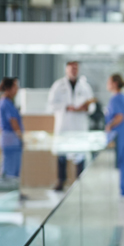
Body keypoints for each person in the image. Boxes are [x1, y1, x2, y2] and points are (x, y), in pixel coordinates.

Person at [47, 61, 95, 191]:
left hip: (79, 126)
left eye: (76, 68)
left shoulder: (85, 86)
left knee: (80, 155)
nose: (74, 71)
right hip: (64, 125)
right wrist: (66, 107)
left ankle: (80, 182)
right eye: (71, 69)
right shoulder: (58, 85)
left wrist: (85, 108)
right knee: (62, 155)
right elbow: (51, 105)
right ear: (66, 70)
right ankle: (61, 181)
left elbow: (92, 106)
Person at [105, 73, 124, 196]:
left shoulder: (115, 99)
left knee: (121, 164)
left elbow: (120, 116)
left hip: (120, 135)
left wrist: (109, 125)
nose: (107, 85)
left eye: (109, 82)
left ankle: (123, 190)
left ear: (114, 84)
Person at [0, 77, 23, 179]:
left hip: (12, 140)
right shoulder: (6, 103)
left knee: (15, 169)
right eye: (15, 87)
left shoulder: (9, 102)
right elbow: (13, 122)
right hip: (10, 139)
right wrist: (21, 137)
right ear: (9, 88)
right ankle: (8, 193)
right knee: (9, 170)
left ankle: (15, 192)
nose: (17, 89)